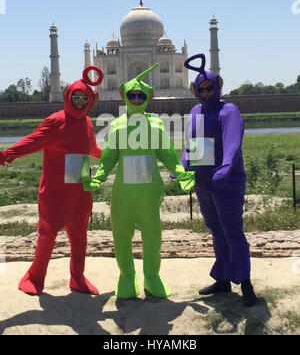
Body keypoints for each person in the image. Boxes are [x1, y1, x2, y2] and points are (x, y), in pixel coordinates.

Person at [82, 63, 195, 299]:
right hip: (123, 193)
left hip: (149, 192)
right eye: (132, 95)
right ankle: (127, 277)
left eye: (139, 95)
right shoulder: (117, 125)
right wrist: (99, 178)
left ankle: (152, 277)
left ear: (146, 97)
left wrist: (182, 173)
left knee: (152, 236)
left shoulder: (155, 124)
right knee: (121, 235)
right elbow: (109, 158)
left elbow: (167, 154)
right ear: (125, 96)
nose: (135, 98)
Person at [0, 65, 104, 295]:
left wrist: (113, 155)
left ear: (89, 100)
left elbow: (92, 148)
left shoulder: (86, 123)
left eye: (83, 98)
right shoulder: (56, 121)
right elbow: (32, 141)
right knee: (47, 236)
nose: (79, 101)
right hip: (55, 193)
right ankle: (35, 277)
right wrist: (6, 154)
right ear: (68, 96)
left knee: (79, 238)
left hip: (79, 191)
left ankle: (77, 278)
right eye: (75, 97)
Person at [181, 53, 257, 307]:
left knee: (233, 233)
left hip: (227, 183)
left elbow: (233, 143)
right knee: (216, 232)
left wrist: (225, 167)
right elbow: (193, 144)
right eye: (201, 89)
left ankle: (245, 284)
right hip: (205, 183)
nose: (205, 93)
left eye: (209, 88)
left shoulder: (228, 110)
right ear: (195, 91)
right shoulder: (196, 111)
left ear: (217, 86)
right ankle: (223, 279)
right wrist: (184, 165)